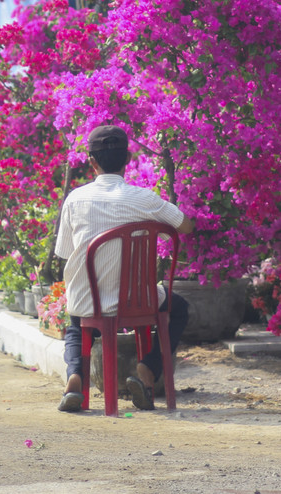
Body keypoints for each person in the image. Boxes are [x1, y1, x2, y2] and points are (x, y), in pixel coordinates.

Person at [53, 125, 194, 413]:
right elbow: (185, 226)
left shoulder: (75, 199)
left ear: (92, 162)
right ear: (127, 159)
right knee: (178, 308)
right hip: (139, 300)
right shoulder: (144, 198)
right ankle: (147, 370)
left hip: (88, 301)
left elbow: (66, 253)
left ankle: (75, 377)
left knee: (76, 324)